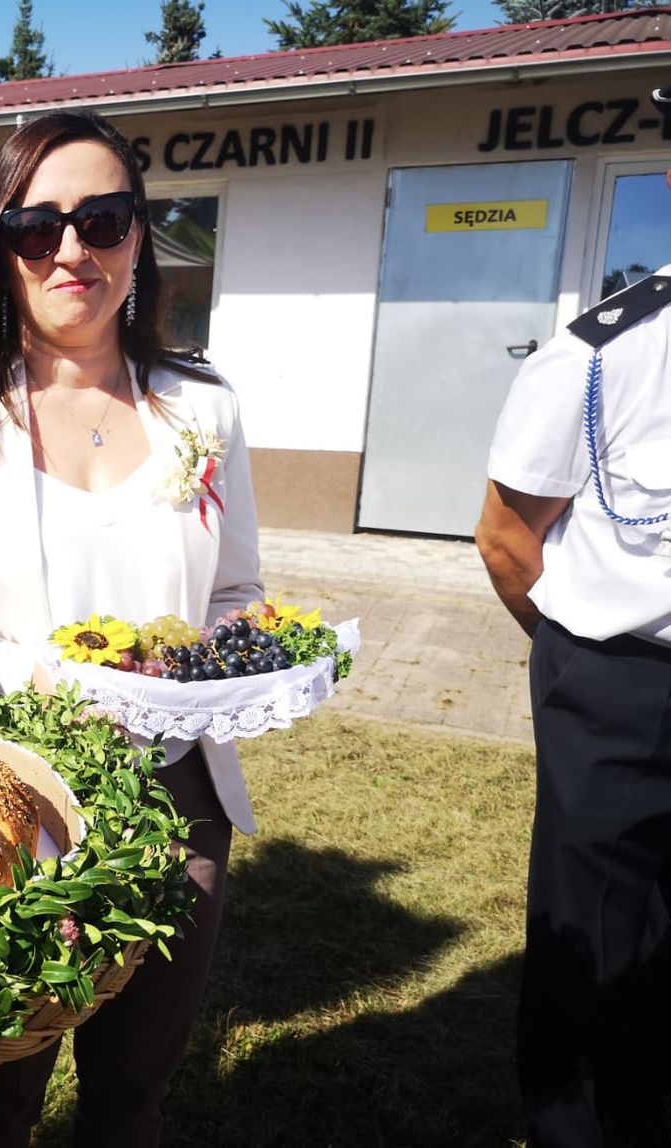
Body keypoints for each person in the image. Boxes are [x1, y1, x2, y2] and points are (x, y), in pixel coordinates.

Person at [0, 110, 264, 1147]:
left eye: (102, 219)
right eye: (37, 226)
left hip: (178, 796)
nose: (71, 250)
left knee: (132, 1092)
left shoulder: (205, 410)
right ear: (0, 244)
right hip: (12, 796)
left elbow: (236, 592)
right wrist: (60, 681)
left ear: (137, 235)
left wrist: (228, 660)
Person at [475, 90, 671, 1147]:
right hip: (619, 684)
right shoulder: (605, 353)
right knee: (590, 948)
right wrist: (582, 658)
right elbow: (509, 538)